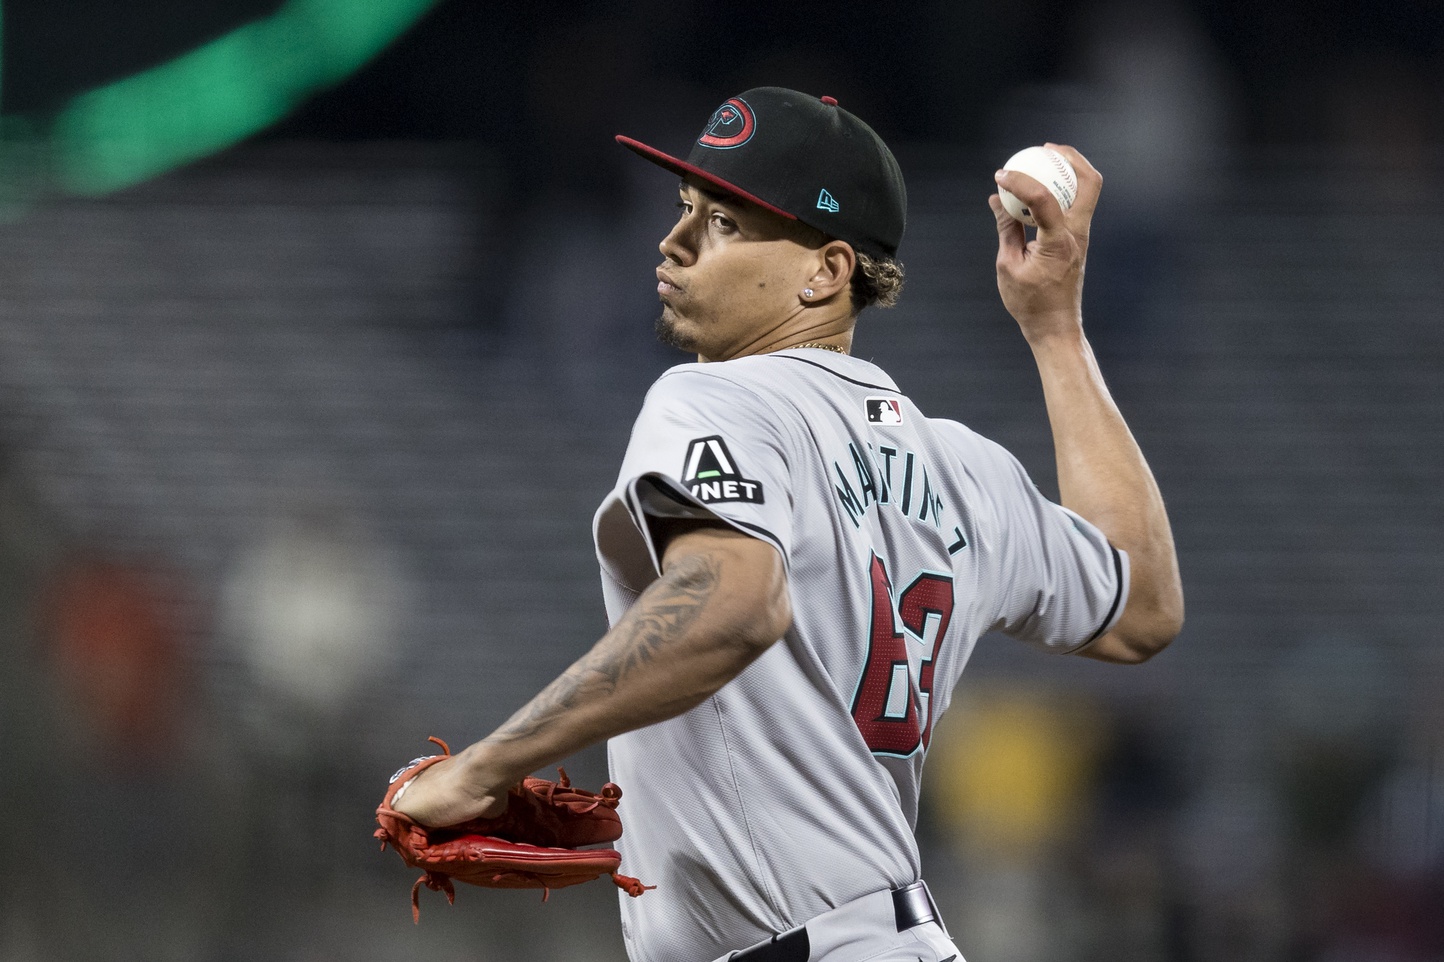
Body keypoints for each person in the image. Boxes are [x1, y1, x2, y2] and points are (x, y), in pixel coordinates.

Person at [393, 87, 1184, 962]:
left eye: (725, 223)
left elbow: (732, 603)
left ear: (826, 271)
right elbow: (1141, 598)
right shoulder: (965, 468)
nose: (675, 241)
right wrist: (1057, 332)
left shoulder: (714, 399)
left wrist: (482, 768)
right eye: (686, 210)